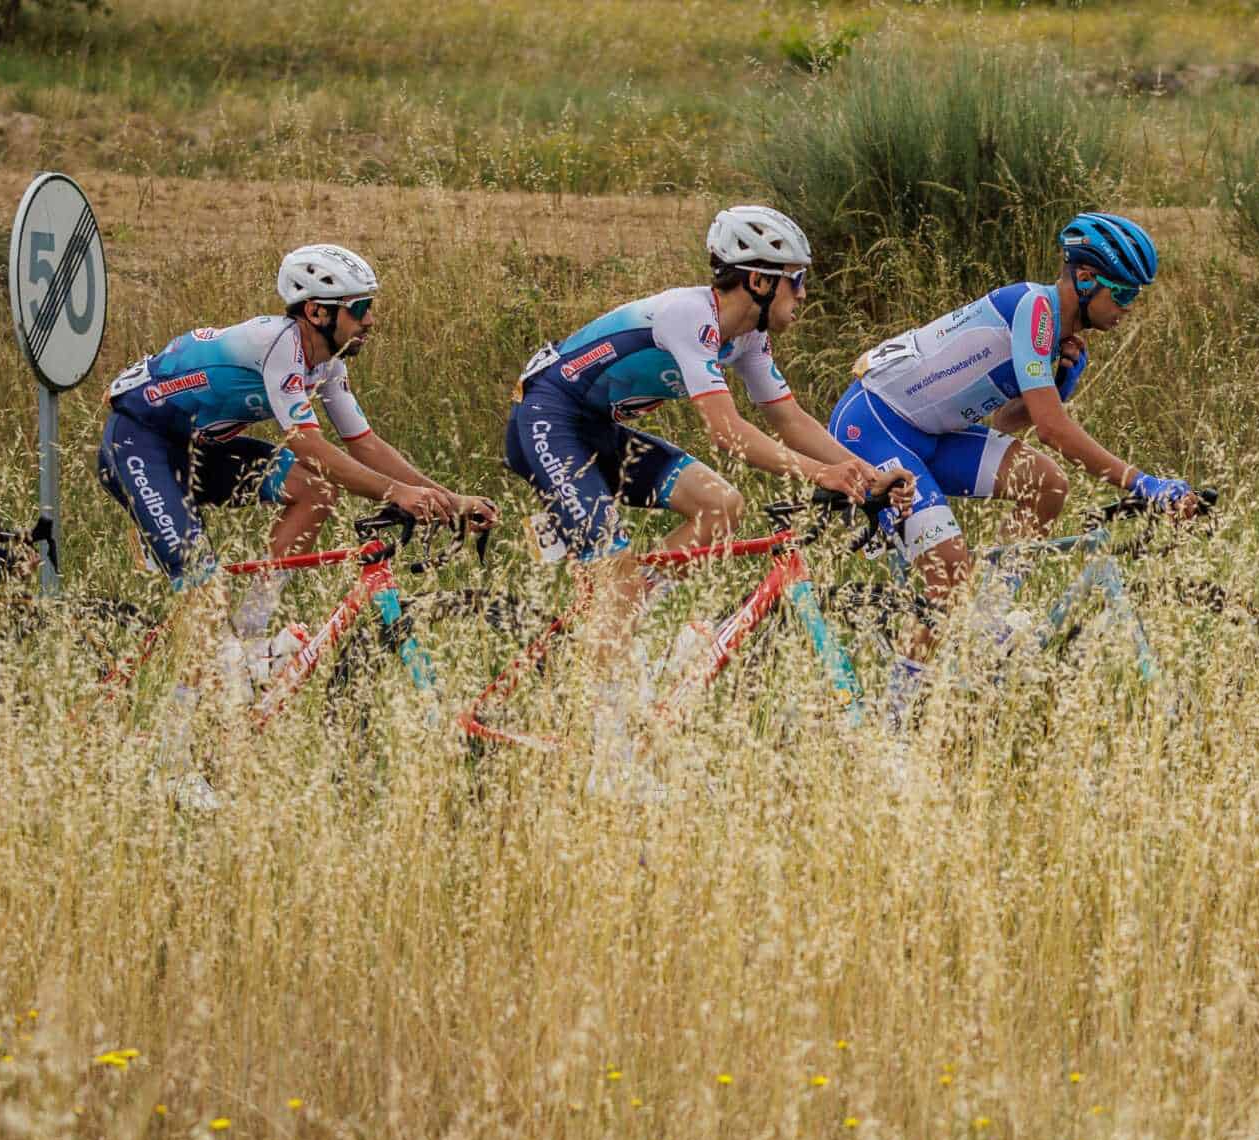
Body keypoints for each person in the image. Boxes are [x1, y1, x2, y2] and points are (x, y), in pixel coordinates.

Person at [503, 205, 894, 765]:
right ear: (759, 281)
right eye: (797, 279)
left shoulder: (747, 339)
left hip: (596, 429)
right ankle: (609, 757)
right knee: (615, 571)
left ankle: (622, 624)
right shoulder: (690, 316)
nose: (804, 294)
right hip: (546, 419)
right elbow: (726, 433)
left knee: (721, 506)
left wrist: (866, 475)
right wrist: (821, 474)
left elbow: (790, 420)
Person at [96, 242, 490, 652]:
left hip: (200, 452)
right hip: (141, 443)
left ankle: (250, 634)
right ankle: (212, 670)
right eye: (358, 308)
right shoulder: (278, 343)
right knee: (204, 590)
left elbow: (366, 445)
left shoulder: (328, 362)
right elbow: (309, 446)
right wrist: (398, 493)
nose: (370, 320)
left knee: (316, 489)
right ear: (316, 312)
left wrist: (451, 502)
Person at [826, 212, 1199, 623]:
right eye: (1124, 294)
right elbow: (1052, 430)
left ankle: (987, 623)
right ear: (1086, 279)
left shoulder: (1056, 333)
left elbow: (1004, 421)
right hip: (875, 426)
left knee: (1047, 485)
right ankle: (915, 667)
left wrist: (1059, 386)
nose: (1129, 308)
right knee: (950, 583)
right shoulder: (1035, 308)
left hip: (931, 433)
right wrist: (1142, 482)